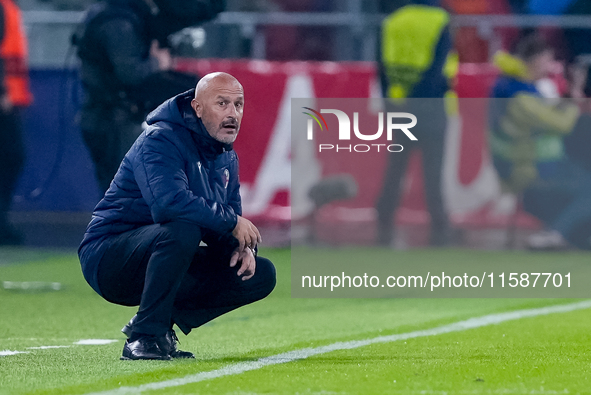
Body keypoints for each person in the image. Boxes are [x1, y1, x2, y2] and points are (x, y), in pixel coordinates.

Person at [78, 72, 276, 360]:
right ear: (197, 108)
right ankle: (144, 339)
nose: (233, 113)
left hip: (164, 255)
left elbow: (224, 225)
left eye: (238, 104)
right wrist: (232, 223)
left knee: (259, 273)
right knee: (183, 228)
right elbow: (168, 204)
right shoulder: (161, 140)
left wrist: (240, 249)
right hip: (109, 259)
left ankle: (158, 323)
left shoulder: (226, 157)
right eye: (222, 103)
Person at [74, 0, 224, 193]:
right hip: (113, 121)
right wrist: (157, 62)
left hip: (113, 118)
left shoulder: (125, 13)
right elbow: (130, 73)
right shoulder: (118, 20)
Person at [489, 34, 591, 250]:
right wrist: (574, 98)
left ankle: (568, 233)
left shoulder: (514, 87)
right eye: (547, 59)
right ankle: (555, 233)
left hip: (531, 159)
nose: (550, 65)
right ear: (534, 60)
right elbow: (560, 124)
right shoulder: (520, 95)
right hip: (526, 165)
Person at [375, 0, 456, 246]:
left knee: (396, 166)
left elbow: (381, 67)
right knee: (433, 170)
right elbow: (438, 68)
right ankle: (439, 226)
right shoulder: (440, 19)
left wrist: (391, 99)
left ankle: (384, 217)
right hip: (430, 106)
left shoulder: (393, 20)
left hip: (398, 106)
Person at [0, 0, 32, 245]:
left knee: (11, 158)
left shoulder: (8, 6)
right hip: (4, 98)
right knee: (11, 156)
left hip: (9, 97)